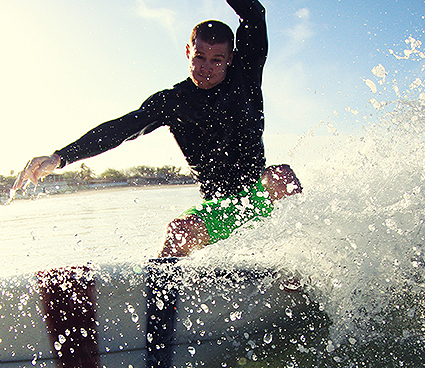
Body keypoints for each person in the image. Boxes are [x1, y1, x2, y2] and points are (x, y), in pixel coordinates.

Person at [15, 0, 301, 257]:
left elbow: (253, 13)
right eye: (199, 56)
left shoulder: (246, 76)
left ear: (231, 59)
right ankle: (159, 302)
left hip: (260, 195)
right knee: (178, 232)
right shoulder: (172, 102)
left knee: (281, 175)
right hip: (220, 209)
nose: (206, 67)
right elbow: (120, 129)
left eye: (216, 60)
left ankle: (302, 261)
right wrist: (61, 156)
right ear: (189, 51)